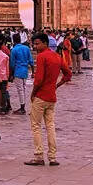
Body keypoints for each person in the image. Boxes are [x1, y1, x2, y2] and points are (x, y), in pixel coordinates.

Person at [27, 32, 64, 166]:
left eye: (37, 44)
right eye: (34, 44)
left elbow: (38, 79)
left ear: (45, 43)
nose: (35, 47)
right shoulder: (57, 56)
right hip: (52, 97)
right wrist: (57, 85)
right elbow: (68, 74)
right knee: (50, 126)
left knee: (36, 126)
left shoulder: (42, 56)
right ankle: (52, 157)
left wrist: (33, 93)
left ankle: (38, 156)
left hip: (41, 96)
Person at [9, 36, 33, 114]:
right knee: (23, 88)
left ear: (14, 41)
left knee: (20, 89)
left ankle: (22, 107)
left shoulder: (14, 50)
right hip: (25, 70)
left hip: (17, 71)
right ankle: (23, 105)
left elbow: (12, 64)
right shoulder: (26, 48)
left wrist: (11, 74)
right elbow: (31, 61)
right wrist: (33, 72)